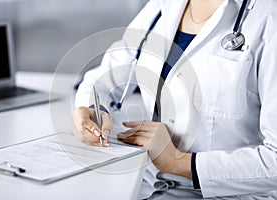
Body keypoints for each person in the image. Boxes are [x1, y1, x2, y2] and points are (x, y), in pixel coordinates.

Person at [72, 0, 277, 199]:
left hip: (227, 194)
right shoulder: (161, 7)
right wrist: (92, 109)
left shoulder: (268, 18)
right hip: (145, 180)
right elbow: (105, 76)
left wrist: (180, 162)